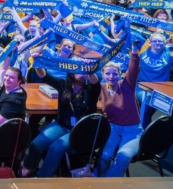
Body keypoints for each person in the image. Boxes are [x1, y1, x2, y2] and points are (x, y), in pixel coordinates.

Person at [21, 68, 101, 178]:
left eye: (86, 72)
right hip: (62, 125)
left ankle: (42, 177)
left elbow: (95, 82)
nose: (85, 74)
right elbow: (44, 75)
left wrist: (90, 70)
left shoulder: (91, 90)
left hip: (79, 131)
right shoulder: (63, 85)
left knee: (55, 148)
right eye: (81, 71)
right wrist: (37, 63)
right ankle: (29, 167)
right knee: (36, 144)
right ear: (72, 74)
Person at [96, 45, 142, 177]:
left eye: (115, 73)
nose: (111, 76)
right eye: (108, 73)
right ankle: (98, 177)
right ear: (103, 74)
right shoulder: (101, 87)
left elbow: (133, 69)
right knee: (104, 155)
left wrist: (134, 52)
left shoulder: (127, 84)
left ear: (120, 74)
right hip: (113, 128)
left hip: (132, 131)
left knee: (123, 156)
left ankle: (108, 184)